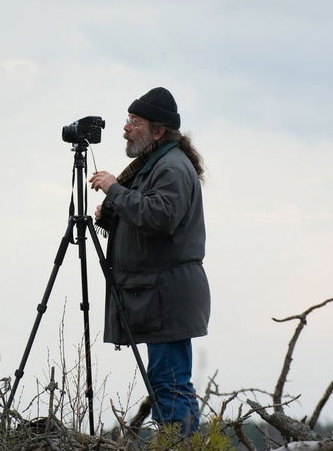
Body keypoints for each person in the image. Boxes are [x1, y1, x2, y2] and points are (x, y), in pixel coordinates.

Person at [88, 86, 210, 436]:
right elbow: (149, 220)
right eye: (128, 120)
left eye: (135, 122)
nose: (126, 128)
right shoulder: (158, 164)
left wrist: (115, 189)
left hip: (167, 296)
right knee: (168, 383)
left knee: (170, 385)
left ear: (158, 131)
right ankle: (181, 444)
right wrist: (115, 215)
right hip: (163, 294)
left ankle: (179, 444)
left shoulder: (170, 167)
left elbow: (160, 217)